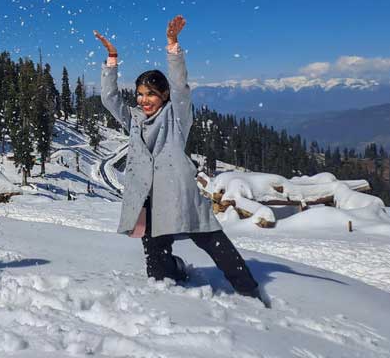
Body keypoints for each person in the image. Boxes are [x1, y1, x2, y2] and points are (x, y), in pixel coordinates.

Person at [94, 16, 264, 304]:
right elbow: (109, 99)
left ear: (164, 95)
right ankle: (176, 268)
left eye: (151, 94)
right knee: (158, 272)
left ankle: (249, 291)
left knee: (213, 242)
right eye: (140, 94)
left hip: (179, 194)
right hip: (148, 201)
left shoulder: (176, 116)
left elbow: (181, 88)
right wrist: (112, 60)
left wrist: (173, 47)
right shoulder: (134, 119)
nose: (144, 100)